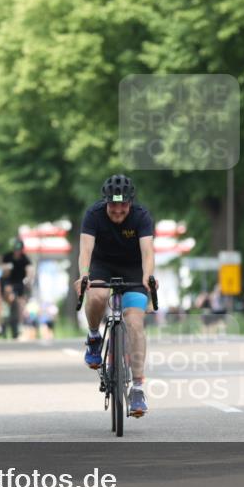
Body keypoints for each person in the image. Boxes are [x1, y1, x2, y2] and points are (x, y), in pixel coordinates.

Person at [73, 174, 155, 417]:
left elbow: (148, 253)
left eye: (123, 205)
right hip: (101, 265)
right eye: (113, 204)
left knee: (135, 323)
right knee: (97, 296)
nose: (118, 210)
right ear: (105, 202)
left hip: (133, 269)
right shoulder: (93, 215)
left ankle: (138, 388)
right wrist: (84, 275)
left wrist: (147, 277)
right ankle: (94, 336)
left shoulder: (141, 216)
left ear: (130, 202)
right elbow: (86, 250)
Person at [0, 238, 33, 340]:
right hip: (7, 281)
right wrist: (7, 269)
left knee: (20, 303)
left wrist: (28, 279)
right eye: (16, 249)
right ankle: (4, 319)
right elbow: (3, 272)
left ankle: (19, 324)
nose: (17, 252)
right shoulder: (7, 257)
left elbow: (30, 271)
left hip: (19, 283)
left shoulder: (25, 259)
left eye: (19, 250)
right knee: (8, 293)